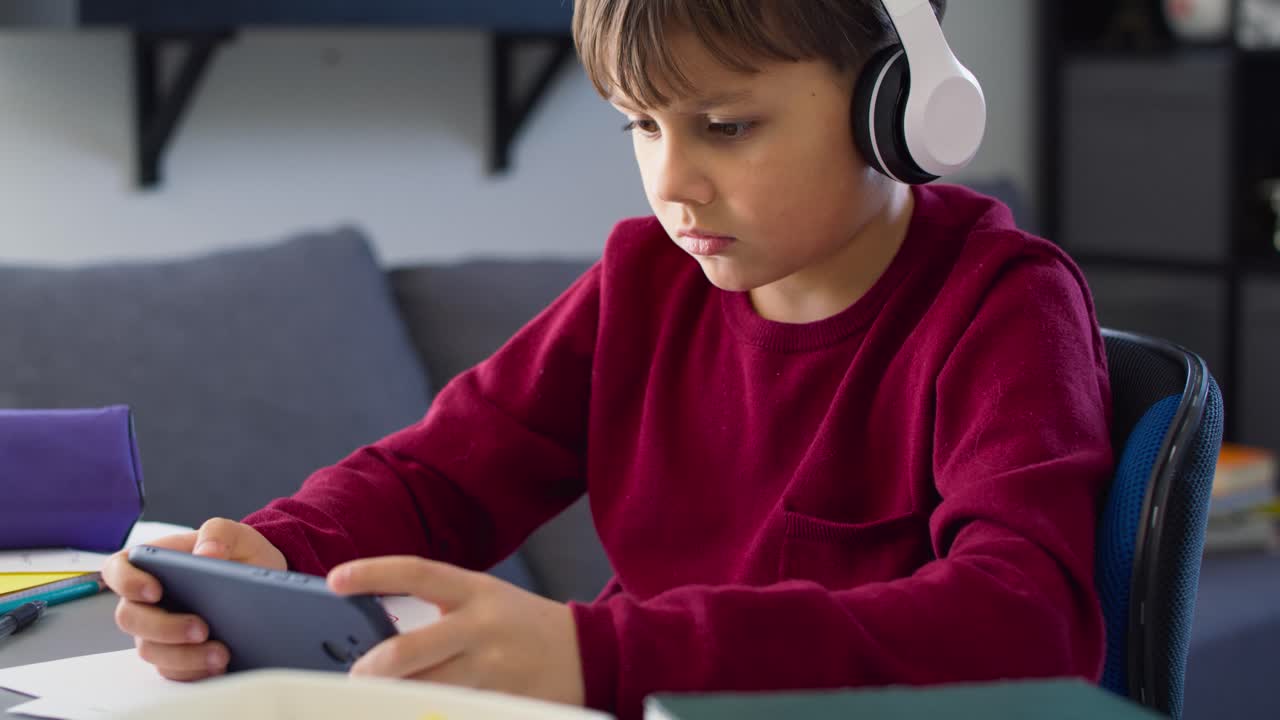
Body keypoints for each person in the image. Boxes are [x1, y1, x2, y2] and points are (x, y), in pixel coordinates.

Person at [104, 1, 1115, 719]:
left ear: (897, 109)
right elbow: (441, 473)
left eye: (725, 126)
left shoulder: (1001, 308)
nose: (672, 182)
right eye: (640, 124)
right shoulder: (642, 280)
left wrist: (597, 657)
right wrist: (273, 559)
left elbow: (1023, 624)